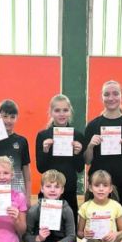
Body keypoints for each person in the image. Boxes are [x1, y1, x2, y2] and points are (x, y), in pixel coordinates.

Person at [84, 80, 122, 230]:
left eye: (115, 93)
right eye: (107, 94)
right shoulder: (92, 125)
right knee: (97, 229)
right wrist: (90, 146)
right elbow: (87, 160)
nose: (111, 98)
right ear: (101, 97)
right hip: (99, 186)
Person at [35, 94, 86, 224]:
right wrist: (45, 151)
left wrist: (77, 153)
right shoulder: (43, 136)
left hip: (69, 190)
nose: (61, 114)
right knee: (47, 229)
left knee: (70, 229)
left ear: (70, 112)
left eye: (65, 110)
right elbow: (40, 168)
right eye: (57, 110)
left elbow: (80, 168)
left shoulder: (78, 136)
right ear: (51, 112)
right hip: (49, 191)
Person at [0, 99, 32, 204]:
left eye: (12, 117)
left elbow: (27, 174)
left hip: (18, 195)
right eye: (5, 116)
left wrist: (28, 198)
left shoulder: (22, 141)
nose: (8, 120)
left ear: (17, 118)